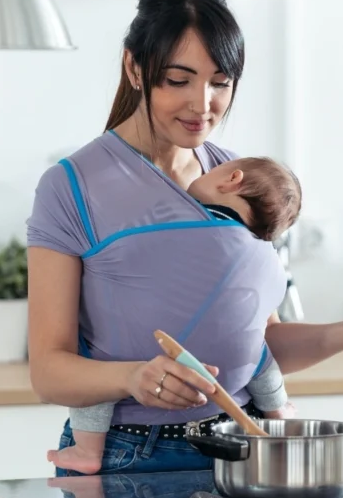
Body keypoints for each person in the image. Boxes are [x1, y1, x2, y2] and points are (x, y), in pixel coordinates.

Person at [26, 0, 343, 479]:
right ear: (134, 67)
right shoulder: (72, 186)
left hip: (242, 445)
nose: (202, 104)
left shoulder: (238, 179)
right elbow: (48, 372)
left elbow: (259, 348)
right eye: (178, 79)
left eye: (221, 82)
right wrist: (133, 379)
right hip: (127, 455)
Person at [48, 155, 303, 475]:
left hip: (145, 366)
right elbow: (267, 324)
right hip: (230, 394)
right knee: (259, 356)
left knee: (95, 364)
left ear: (231, 179)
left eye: (212, 171)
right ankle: (277, 412)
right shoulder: (261, 254)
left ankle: (88, 448)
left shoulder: (165, 219)